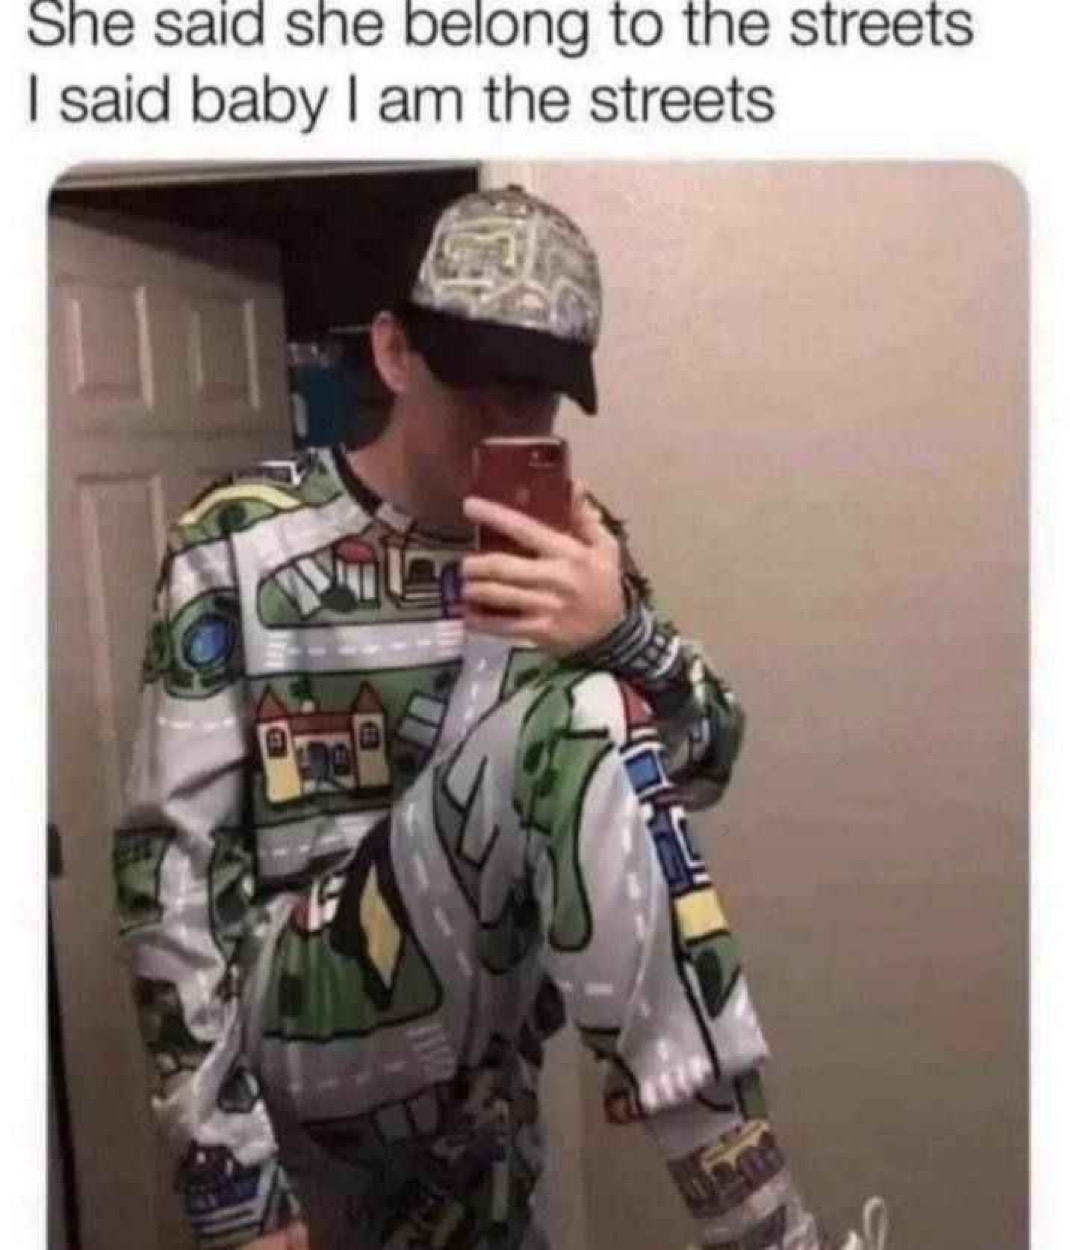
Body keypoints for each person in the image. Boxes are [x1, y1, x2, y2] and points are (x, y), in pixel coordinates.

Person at [114, 185, 888, 1250]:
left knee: (592, 707)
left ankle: (741, 1200)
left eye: (530, 395)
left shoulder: (572, 554)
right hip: (304, 1040)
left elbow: (701, 766)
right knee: (574, 711)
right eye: (473, 382)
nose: (500, 423)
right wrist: (227, 1178)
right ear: (394, 352)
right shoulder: (238, 541)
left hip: (478, 1138)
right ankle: (771, 1235)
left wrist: (623, 633)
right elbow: (171, 868)